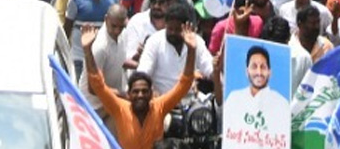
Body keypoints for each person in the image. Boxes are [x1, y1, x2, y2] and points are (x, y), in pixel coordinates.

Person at [82, 21, 197, 149]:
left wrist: (191, 50)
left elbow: (184, 84)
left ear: (151, 93)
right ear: (129, 94)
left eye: (144, 91)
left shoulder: (160, 107)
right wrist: (87, 51)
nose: (140, 95)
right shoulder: (120, 108)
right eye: (136, 92)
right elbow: (98, 85)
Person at [222, 44, 290, 145]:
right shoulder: (234, 98)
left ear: (269, 72)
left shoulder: (282, 104)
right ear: (247, 71)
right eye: (254, 67)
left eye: (263, 67)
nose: (259, 72)